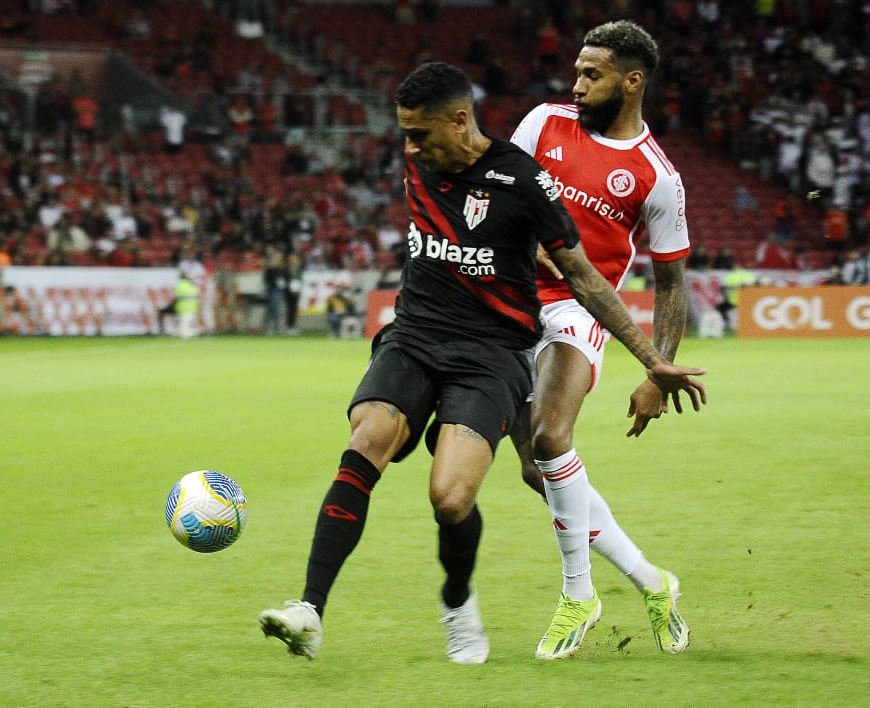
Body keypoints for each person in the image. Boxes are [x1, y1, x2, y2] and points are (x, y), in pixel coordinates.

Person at [258, 61, 706, 664]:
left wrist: (654, 360)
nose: (408, 147)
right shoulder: (522, 130)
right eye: (406, 134)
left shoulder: (565, 178)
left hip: (513, 338)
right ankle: (309, 610)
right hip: (417, 335)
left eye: (420, 134)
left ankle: (500, 593)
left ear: (460, 119)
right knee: (373, 439)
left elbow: (579, 267)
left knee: (504, 468)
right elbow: (494, 231)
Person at [507, 20, 695, 660]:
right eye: (577, 71)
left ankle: (577, 594)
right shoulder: (541, 124)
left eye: (594, 74)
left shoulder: (656, 176)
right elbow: (491, 198)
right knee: (539, 471)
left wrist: (656, 370)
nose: (577, 84)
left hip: (578, 312)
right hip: (505, 306)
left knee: (550, 437)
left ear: (632, 81)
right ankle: (653, 582)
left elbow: (671, 285)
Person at [157, 270, 199, 339]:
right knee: (183, 329)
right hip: (193, 309)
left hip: (182, 309)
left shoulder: (180, 284)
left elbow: (175, 298)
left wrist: (170, 306)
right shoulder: (193, 285)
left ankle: (162, 332)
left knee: (183, 333)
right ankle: (188, 331)